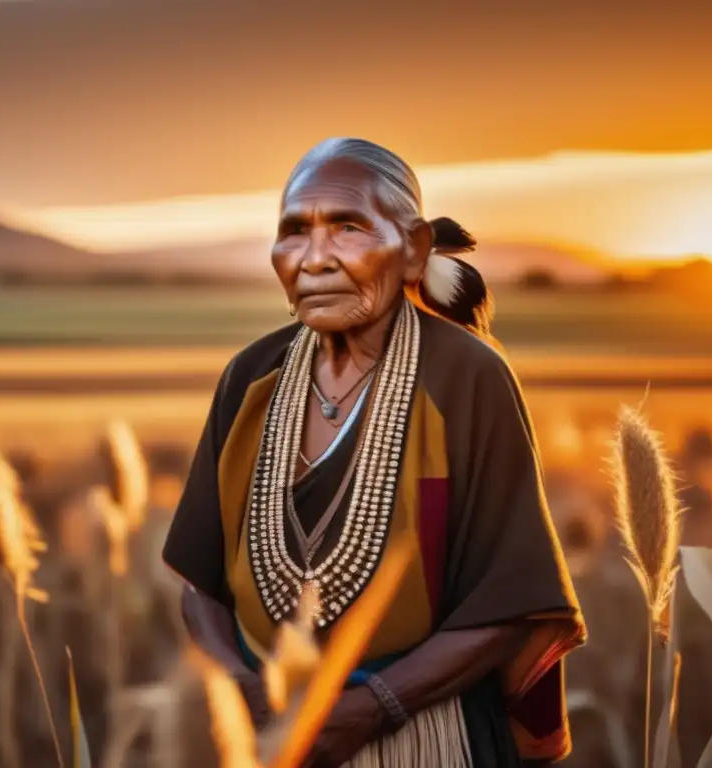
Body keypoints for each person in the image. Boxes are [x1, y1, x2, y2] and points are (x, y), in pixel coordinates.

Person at [162, 137, 586, 767]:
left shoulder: (466, 378)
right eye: (294, 232)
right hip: (265, 740)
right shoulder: (251, 377)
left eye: (347, 228)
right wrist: (241, 691)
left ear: (413, 249)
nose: (314, 258)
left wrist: (370, 709)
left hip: (425, 737)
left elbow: (512, 601)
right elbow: (201, 582)